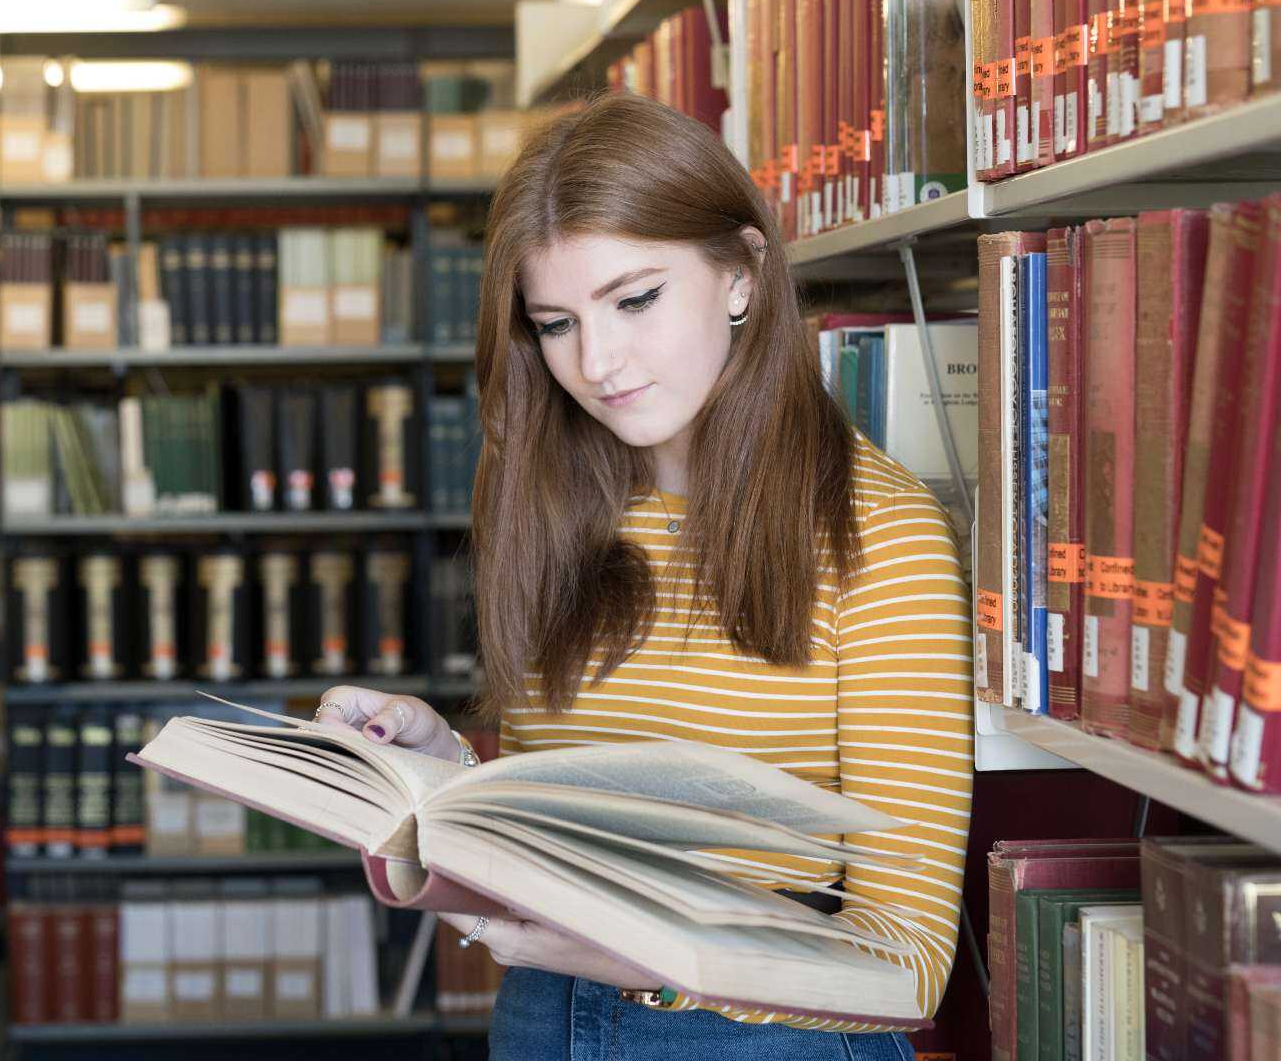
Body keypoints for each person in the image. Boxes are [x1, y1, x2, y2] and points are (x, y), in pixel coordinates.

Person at [314, 93, 973, 1059]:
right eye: (555, 323)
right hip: (545, 1018)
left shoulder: (877, 531)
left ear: (742, 273)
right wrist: (446, 766)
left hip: (762, 1040)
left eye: (635, 299)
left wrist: (650, 962)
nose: (599, 361)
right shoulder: (546, 498)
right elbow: (574, 823)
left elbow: (907, 963)